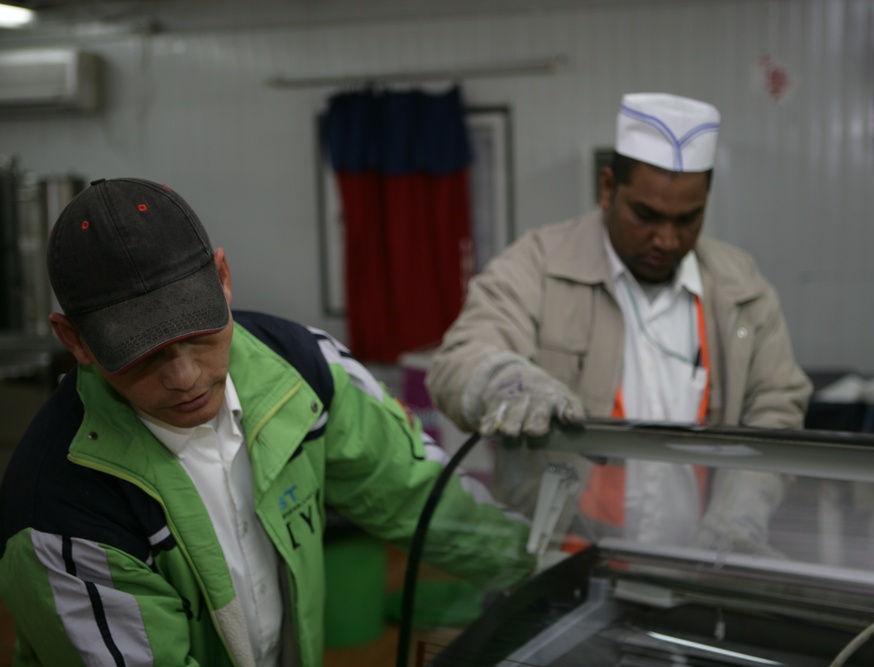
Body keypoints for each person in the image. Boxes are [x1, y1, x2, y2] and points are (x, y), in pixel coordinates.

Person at [0, 178, 533, 667]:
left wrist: (547, 562)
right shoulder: (61, 512)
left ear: (223, 279)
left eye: (199, 332)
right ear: (75, 341)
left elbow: (425, 499)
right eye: (142, 355)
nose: (185, 377)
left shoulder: (303, 371)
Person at [427, 92, 813, 552]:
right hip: (557, 562)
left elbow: (777, 406)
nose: (666, 240)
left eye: (688, 219)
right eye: (645, 216)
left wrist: (738, 518)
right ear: (607, 188)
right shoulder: (538, 265)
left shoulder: (742, 289)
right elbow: (459, 360)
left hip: (699, 564)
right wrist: (507, 383)